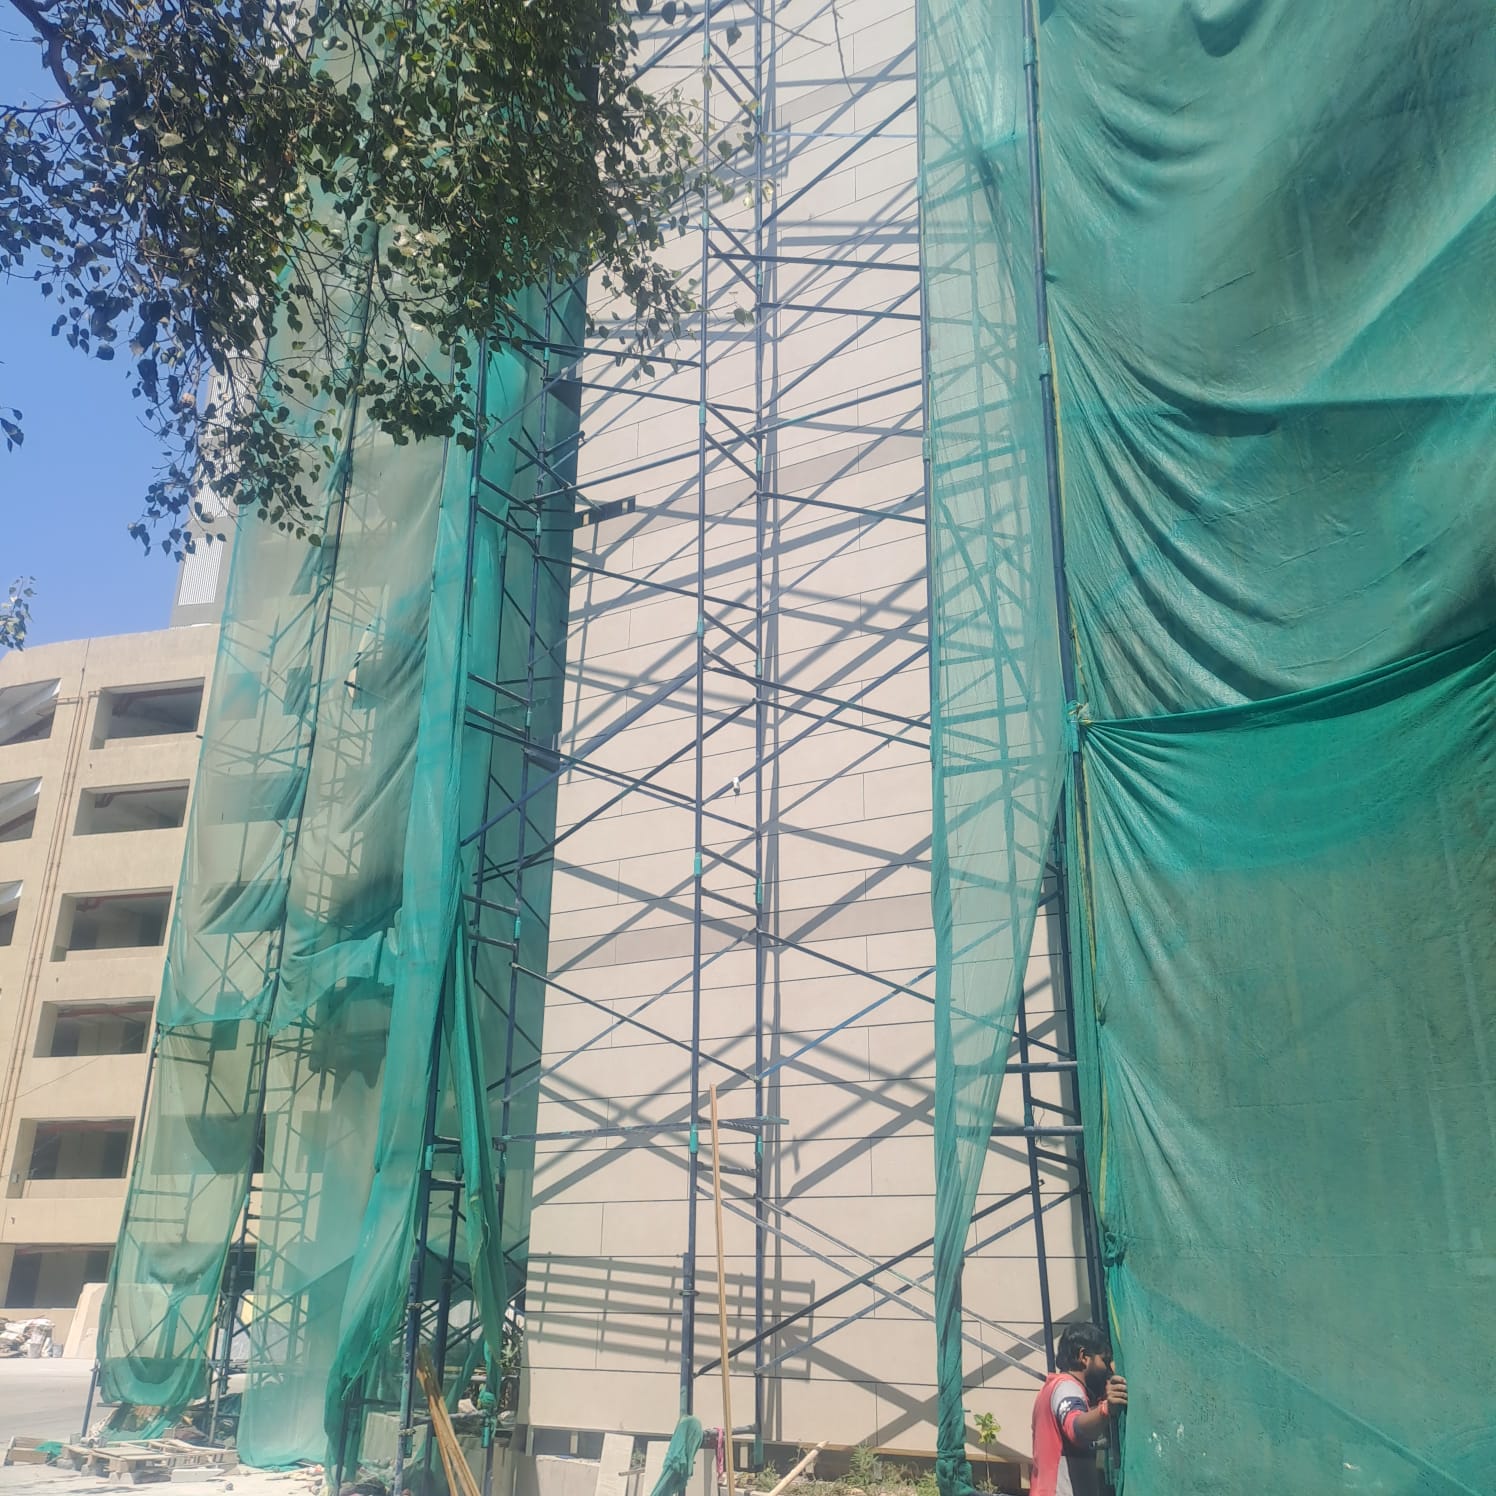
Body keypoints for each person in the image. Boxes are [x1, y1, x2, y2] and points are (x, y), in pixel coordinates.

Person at [1029, 1321, 1127, 1496]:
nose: (1108, 1369)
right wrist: (1107, 1409)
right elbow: (1075, 1428)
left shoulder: (1056, 1388)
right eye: (1104, 1360)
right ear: (1083, 1357)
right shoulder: (1067, 1388)